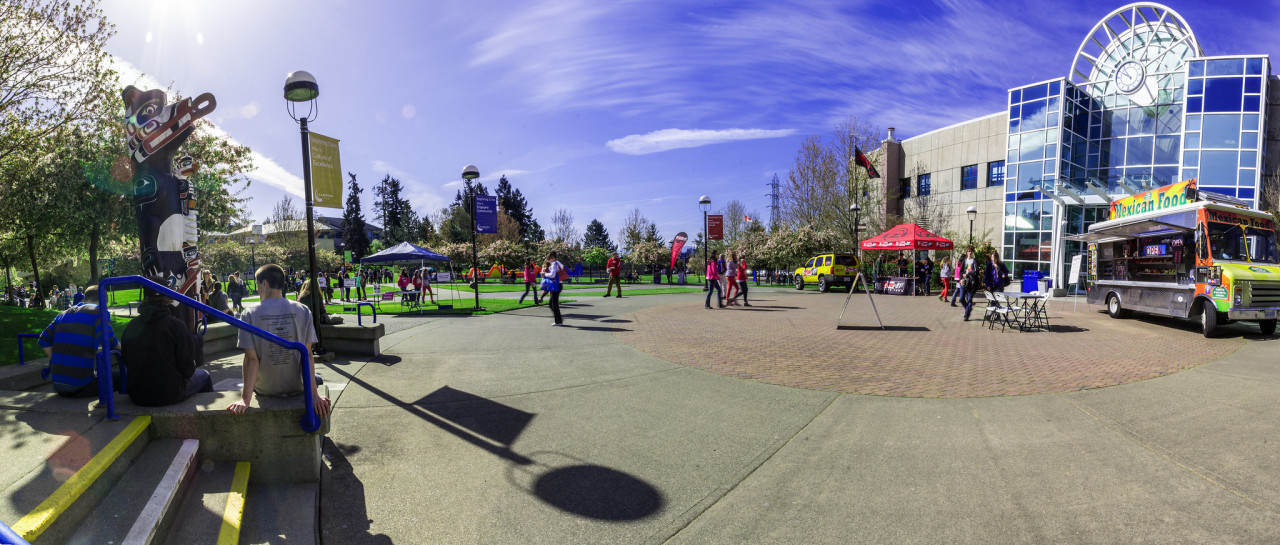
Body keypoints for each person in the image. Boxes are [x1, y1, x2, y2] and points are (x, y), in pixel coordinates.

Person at [228, 264, 331, 418]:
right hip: (298, 386)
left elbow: (251, 360)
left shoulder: (249, 314)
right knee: (318, 379)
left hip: (265, 389)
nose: (257, 289)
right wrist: (314, 395)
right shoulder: (303, 310)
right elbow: (307, 355)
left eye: (258, 285)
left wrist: (245, 400)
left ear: (265, 284)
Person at [122, 281, 213, 406]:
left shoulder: (131, 326)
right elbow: (187, 370)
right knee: (205, 376)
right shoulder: (175, 325)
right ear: (166, 296)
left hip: (137, 394)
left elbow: (126, 359)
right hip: (169, 393)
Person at [37, 285, 121, 397]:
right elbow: (111, 342)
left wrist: (58, 360)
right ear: (104, 300)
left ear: (85, 298)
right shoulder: (99, 312)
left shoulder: (62, 314)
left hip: (57, 385)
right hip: (80, 385)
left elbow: (43, 339)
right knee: (123, 376)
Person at [542, 252, 565, 325]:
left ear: (553, 258)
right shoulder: (558, 263)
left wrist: (544, 274)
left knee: (553, 304)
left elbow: (552, 275)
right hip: (558, 284)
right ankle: (559, 320)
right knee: (552, 303)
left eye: (549, 259)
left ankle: (558, 321)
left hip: (556, 285)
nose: (548, 260)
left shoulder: (554, 264)